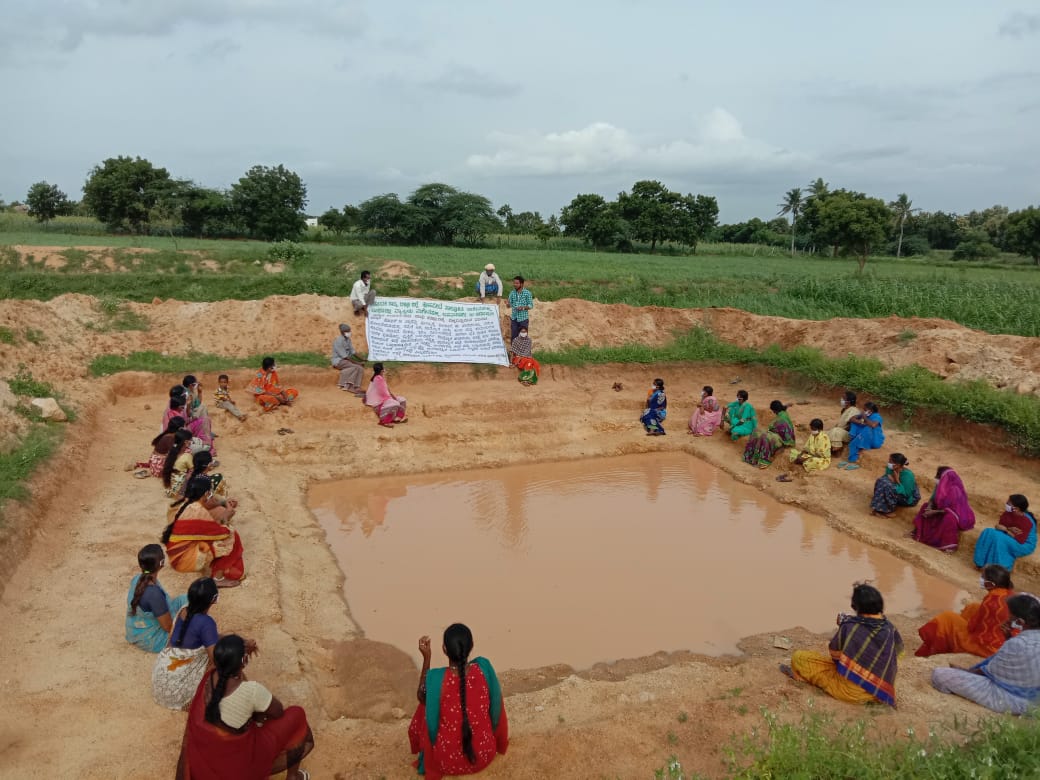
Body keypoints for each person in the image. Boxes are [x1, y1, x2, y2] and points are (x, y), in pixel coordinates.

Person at [177, 634, 314, 780]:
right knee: (296, 715)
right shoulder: (251, 691)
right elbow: (278, 712)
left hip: (211, 752)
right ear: (243, 661)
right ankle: (293, 776)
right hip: (241, 760)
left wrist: (242, 650)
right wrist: (260, 717)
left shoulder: (208, 677)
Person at [408, 624, 508, 780]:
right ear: (472, 646)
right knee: (432, 700)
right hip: (483, 756)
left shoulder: (437, 678)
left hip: (446, 761)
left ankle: (421, 746)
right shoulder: (484, 668)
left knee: (426, 705)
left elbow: (421, 697)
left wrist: (427, 658)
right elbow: (496, 710)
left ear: (444, 649)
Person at [780, 583, 903, 706]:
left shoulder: (851, 627)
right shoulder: (890, 628)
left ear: (857, 606)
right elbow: (898, 653)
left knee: (799, 657)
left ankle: (801, 678)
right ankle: (869, 694)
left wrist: (844, 626)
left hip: (850, 692)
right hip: (881, 691)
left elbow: (835, 655)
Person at [931, 593, 1040, 715]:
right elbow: (1018, 659)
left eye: (1010, 616)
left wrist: (966, 672)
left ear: (1020, 621)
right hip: (1035, 697)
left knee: (940, 674)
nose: (1007, 618)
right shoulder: (1025, 639)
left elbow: (990, 673)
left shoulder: (1016, 644)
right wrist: (1008, 637)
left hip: (1015, 700)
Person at [916, 565, 1015, 658]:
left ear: (991, 584)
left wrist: (969, 623)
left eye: (983, 577)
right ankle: (952, 639)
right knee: (972, 607)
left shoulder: (992, 600)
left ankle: (932, 649)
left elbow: (972, 627)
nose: (981, 579)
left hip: (987, 648)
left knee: (947, 617)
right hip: (1003, 641)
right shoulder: (1009, 594)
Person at [162, 476, 245, 585]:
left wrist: (224, 503)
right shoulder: (197, 511)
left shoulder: (187, 502)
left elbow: (211, 506)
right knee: (231, 536)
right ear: (206, 493)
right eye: (210, 492)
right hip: (182, 560)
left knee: (218, 516)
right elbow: (223, 533)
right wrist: (226, 515)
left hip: (176, 553)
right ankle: (218, 579)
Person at [126, 544, 187, 653]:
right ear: (161, 563)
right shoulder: (154, 594)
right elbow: (168, 627)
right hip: (150, 639)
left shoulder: (137, 579)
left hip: (135, 630)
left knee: (188, 598)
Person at [911, 467, 976, 552]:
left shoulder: (955, 490)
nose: (936, 478)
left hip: (957, 515)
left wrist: (934, 512)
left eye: (938, 475)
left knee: (949, 518)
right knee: (925, 506)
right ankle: (918, 532)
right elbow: (933, 499)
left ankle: (947, 545)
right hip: (941, 511)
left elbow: (953, 510)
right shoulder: (940, 486)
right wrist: (929, 507)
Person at [973, 495, 1037, 572]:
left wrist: (1006, 530)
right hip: (1009, 535)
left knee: (999, 538)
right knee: (988, 532)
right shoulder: (1008, 513)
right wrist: (1008, 529)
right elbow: (998, 526)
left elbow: (1020, 540)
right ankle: (980, 562)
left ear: (1016, 509)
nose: (1006, 504)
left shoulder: (1027, 521)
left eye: (1009, 503)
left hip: (1023, 544)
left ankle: (998, 569)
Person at [742, 400, 796, 468]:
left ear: (775, 410)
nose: (773, 412)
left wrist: (771, 431)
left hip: (784, 441)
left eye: (773, 410)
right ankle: (749, 456)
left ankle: (764, 461)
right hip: (777, 434)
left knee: (764, 437)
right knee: (755, 432)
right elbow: (784, 407)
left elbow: (781, 432)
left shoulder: (782, 418)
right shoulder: (782, 412)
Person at [870, 453, 920, 517]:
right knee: (881, 481)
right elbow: (886, 478)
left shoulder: (908, 475)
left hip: (908, 499)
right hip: (898, 490)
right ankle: (878, 508)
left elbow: (907, 494)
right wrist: (892, 481)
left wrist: (897, 481)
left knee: (887, 485)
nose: (888, 463)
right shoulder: (890, 469)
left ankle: (887, 511)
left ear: (897, 465)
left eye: (890, 461)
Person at [840, 401, 884, 469]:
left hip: (874, 440)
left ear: (870, 410)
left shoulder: (877, 417)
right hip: (865, 436)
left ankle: (855, 460)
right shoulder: (865, 414)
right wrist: (861, 421)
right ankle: (853, 438)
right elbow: (851, 419)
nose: (863, 411)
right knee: (855, 423)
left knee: (867, 428)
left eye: (865, 409)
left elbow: (873, 425)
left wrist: (864, 418)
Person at [365, 362, 407, 427]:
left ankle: (397, 418)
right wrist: (392, 398)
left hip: (384, 398)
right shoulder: (378, 379)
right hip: (378, 401)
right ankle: (385, 421)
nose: (385, 368)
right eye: (383, 367)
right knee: (395, 403)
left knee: (402, 400)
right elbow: (383, 393)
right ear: (382, 370)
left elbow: (387, 390)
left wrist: (393, 397)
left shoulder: (379, 377)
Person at [331, 323, 366, 395]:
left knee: (360, 368)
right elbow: (345, 357)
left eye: (349, 331)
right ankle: (348, 386)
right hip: (339, 361)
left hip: (345, 361)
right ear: (343, 332)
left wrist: (363, 359)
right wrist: (357, 363)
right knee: (356, 367)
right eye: (348, 331)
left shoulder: (348, 339)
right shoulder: (338, 341)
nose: (349, 333)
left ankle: (357, 386)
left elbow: (353, 352)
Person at [162, 429, 196, 498]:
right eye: (190, 440)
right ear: (186, 442)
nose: (191, 442)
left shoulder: (170, 453)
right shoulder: (187, 455)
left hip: (169, 491)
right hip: (180, 491)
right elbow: (193, 471)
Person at [506, 275, 533, 341]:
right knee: (514, 337)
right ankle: (513, 351)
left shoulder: (527, 293)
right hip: (514, 318)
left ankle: (524, 351)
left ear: (522, 284)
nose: (515, 284)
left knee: (523, 337)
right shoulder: (512, 293)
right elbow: (509, 305)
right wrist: (508, 304)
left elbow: (531, 305)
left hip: (523, 319)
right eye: (514, 283)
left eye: (517, 283)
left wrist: (523, 308)